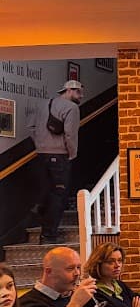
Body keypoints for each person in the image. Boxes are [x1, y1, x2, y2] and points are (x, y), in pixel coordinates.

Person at [30, 79, 83, 244]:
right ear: (69, 90)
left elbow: (31, 127)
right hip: (60, 156)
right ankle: (49, 235)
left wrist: (40, 144)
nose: (81, 96)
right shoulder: (72, 108)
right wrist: (72, 154)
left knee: (47, 190)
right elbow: (70, 134)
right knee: (58, 194)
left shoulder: (42, 105)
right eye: (78, 92)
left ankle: (40, 206)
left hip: (41, 154)